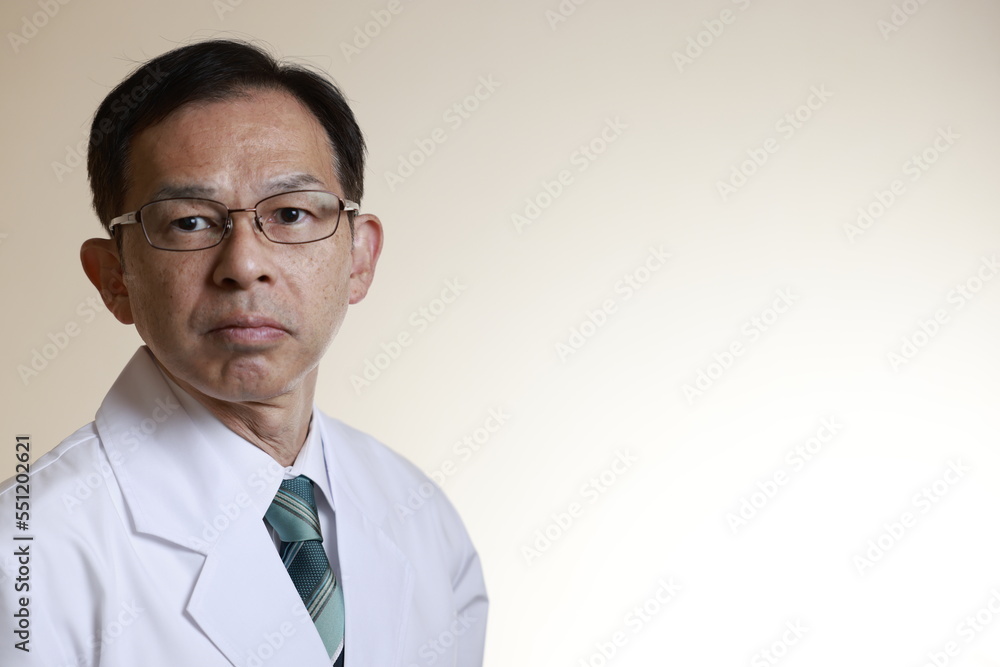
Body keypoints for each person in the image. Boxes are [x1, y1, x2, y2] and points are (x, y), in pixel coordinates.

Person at [0, 39, 487, 666]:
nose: (245, 265)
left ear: (359, 258)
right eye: (190, 222)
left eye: (289, 213)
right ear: (114, 277)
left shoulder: (422, 515)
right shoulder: (29, 553)